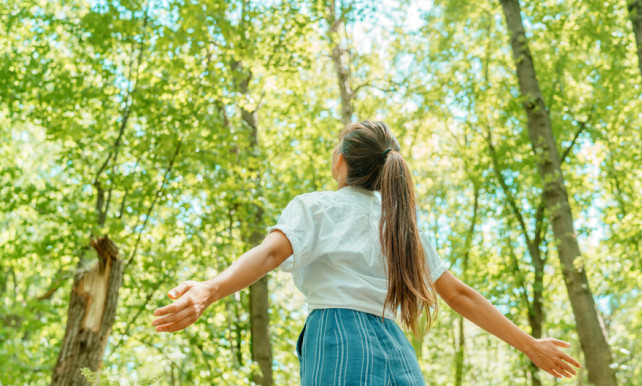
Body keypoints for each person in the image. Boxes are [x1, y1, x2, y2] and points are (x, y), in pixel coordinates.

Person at [152, 120, 582, 384]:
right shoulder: (401, 225)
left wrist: (210, 288)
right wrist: (529, 345)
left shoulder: (318, 205)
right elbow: (461, 295)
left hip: (337, 338)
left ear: (341, 160)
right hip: (396, 348)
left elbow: (267, 256)